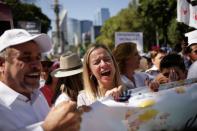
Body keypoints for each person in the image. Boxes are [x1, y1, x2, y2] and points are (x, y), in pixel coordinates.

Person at [0, 29, 86, 131]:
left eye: (38, 58)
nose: (37, 65)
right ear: (2, 64)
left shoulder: (38, 96)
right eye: (26, 58)